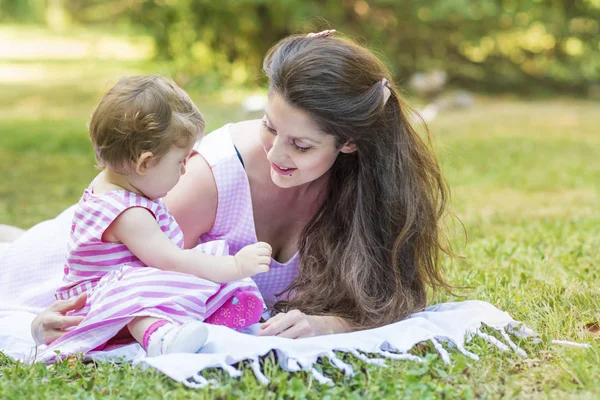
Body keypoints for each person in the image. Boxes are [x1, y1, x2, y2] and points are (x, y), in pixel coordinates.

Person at [15, 29, 452, 344]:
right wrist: (62, 320)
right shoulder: (209, 177)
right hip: (92, 253)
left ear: (350, 143)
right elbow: (124, 279)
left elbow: (391, 298)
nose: (276, 154)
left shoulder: (370, 191)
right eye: (268, 126)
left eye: (300, 145)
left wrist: (327, 325)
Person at [35, 75, 272, 361]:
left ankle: (222, 307)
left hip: (123, 295)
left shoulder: (120, 183)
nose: (185, 170)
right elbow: (173, 261)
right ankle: (159, 336)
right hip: (101, 306)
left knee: (207, 256)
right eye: (180, 161)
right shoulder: (128, 214)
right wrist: (235, 266)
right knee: (143, 284)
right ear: (145, 163)